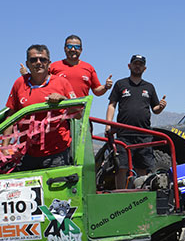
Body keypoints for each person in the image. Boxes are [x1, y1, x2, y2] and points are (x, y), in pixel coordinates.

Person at [5, 44, 77, 170]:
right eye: (34, 60)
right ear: (27, 64)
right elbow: (10, 117)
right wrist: (5, 146)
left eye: (42, 59)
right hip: (28, 153)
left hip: (57, 153)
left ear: (49, 63)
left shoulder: (62, 83)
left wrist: (64, 101)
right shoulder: (19, 83)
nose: (38, 63)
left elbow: (79, 113)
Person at [106, 54, 167, 188]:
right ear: (129, 66)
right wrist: (108, 124)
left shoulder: (149, 87)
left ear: (144, 68)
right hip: (124, 134)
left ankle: (141, 197)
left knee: (142, 168)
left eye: (140, 64)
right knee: (121, 167)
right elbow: (112, 105)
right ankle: (120, 197)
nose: (137, 66)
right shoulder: (120, 84)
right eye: (135, 63)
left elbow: (155, 109)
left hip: (144, 134)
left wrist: (161, 106)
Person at [49, 35, 113, 97]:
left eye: (77, 47)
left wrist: (106, 86)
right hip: (60, 108)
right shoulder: (53, 66)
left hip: (82, 107)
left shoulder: (89, 68)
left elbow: (97, 91)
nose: (73, 49)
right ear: (64, 48)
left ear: (81, 50)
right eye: (69, 46)